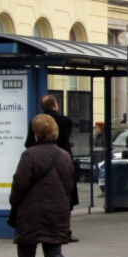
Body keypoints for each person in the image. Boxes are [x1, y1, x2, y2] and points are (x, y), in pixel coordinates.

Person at [11, 114, 83, 257]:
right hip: (57, 213)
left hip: (31, 214)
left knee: (26, 255)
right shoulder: (65, 156)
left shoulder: (29, 155)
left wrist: (14, 202)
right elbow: (69, 186)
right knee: (54, 253)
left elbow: (19, 184)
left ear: (36, 133)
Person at [26, 95, 79, 242]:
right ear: (55, 104)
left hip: (41, 165)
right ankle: (64, 231)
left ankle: (43, 229)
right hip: (63, 162)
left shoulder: (34, 123)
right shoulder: (66, 121)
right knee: (65, 196)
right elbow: (66, 139)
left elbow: (28, 144)